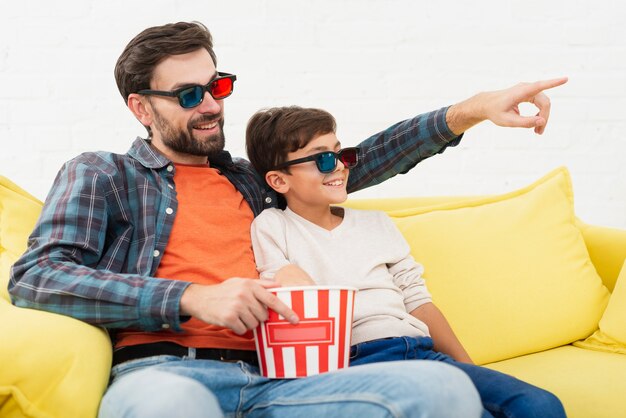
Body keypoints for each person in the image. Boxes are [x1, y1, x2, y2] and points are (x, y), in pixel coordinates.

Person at [6, 20, 565, 418]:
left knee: (443, 393)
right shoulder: (103, 174)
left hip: (292, 380)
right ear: (141, 107)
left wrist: (469, 111)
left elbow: (353, 162)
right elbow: (36, 278)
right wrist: (190, 298)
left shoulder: (253, 180)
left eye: (217, 86)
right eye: (190, 94)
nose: (211, 105)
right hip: (166, 375)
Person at [246, 106, 567, 418]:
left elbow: (418, 302)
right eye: (323, 158)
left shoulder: (377, 224)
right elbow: (287, 293)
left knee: (540, 405)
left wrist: (469, 371)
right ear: (278, 181)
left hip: (421, 350)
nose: (340, 167)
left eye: (342, 154)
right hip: (358, 362)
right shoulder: (273, 226)